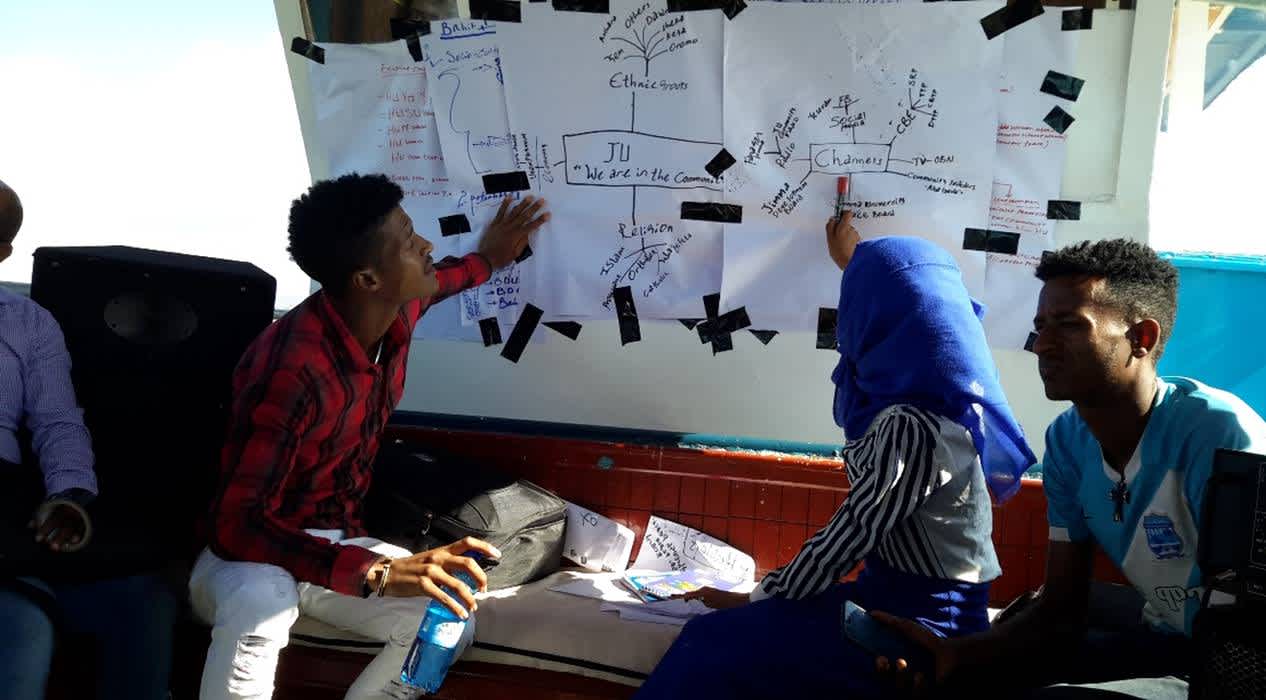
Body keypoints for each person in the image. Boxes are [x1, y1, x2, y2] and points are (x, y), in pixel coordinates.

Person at [633, 213, 1037, 699]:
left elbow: (853, 531)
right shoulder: (941, 408)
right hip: (887, 598)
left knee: (708, 641)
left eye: (856, 307)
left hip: (924, 623)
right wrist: (853, 261)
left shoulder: (911, 425)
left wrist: (755, 595)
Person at [190, 173, 549, 700]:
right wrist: (377, 573)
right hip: (249, 557)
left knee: (447, 620)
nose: (425, 246)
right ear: (367, 279)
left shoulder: (396, 308)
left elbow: (447, 278)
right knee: (262, 600)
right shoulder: (290, 370)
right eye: (407, 241)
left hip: (333, 544)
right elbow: (236, 526)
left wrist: (491, 257)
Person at [876, 239, 1266, 698]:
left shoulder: (1220, 437)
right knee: (991, 656)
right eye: (1041, 326)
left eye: (1070, 325)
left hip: (1238, 664)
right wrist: (957, 655)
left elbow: (1249, 624)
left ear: (1141, 338)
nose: (1042, 345)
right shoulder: (1067, 442)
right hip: (1166, 638)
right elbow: (1061, 607)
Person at [0, 179, 178, 700]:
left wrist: (68, 494)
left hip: (4, 499)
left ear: (3, 252)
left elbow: (58, 422)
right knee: (24, 633)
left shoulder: (30, 323)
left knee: (145, 597)